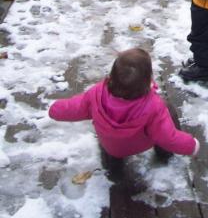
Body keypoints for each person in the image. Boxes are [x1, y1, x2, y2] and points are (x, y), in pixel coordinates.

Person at [49, 48, 199, 170]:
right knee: (167, 110)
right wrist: (191, 146)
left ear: (112, 74)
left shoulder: (96, 93)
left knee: (111, 143)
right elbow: (169, 137)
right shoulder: (153, 105)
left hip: (111, 146)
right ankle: (164, 154)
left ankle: (113, 166)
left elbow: (74, 107)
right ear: (147, 79)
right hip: (139, 144)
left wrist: (55, 109)